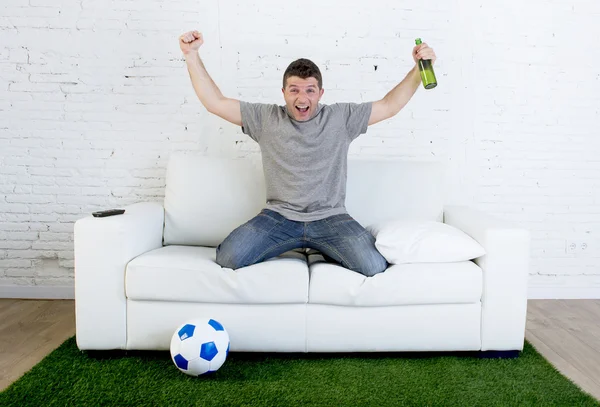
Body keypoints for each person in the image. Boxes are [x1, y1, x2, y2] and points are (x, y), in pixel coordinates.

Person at [179, 30, 437, 277]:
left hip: (331, 218)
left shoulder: (340, 118)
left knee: (372, 265)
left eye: (309, 90)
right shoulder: (265, 118)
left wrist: (417, 71)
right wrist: (191, 55)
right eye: (294, 89)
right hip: (279, 217)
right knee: (229, 258)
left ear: (320, 93)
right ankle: (308, 245)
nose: (302, 97)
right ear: (284, 93)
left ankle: (325, 246)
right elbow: (215, 102)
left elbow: (389, 105)